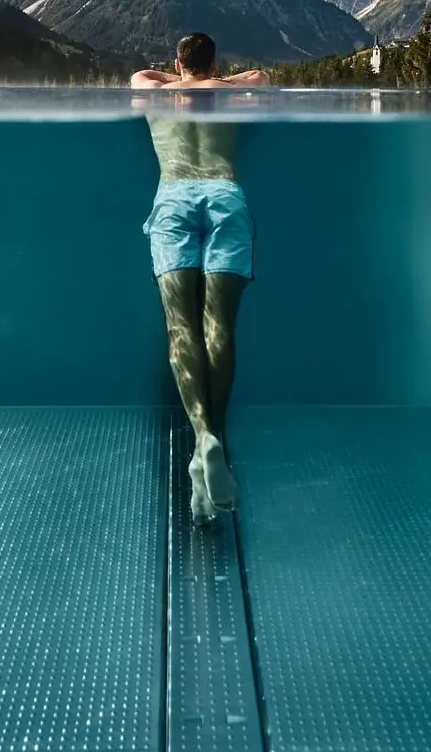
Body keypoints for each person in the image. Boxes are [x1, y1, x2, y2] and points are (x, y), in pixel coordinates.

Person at [131, 34, 268, 523]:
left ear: (175, 62)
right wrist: (212, 78)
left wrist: (185, 78)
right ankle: (216, 445)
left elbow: (141, 77)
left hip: (173, 196)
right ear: (216, 61)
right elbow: (260, 78)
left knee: (180, 327)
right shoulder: (232, 88)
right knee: (219, 327)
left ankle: (201, 439)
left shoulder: (151, 86)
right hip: (224, 193)